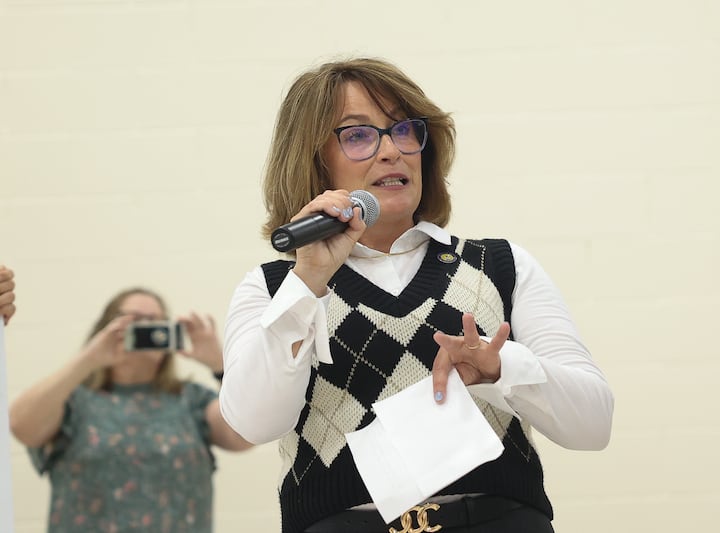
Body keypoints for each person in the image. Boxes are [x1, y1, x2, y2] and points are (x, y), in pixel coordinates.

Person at [220, 57, 614, 533]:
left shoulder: (500, 266)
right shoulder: (274, 288)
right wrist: (307, 282)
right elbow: (254, 422)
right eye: (359, 135)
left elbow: (593, 423)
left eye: (404, 130)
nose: (392, 152)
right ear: (312, 157)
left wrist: (501, 367)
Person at [9, 287, 252, 533]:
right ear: (106, 328)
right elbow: (20, 424)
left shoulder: (190, 400)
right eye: (134, 321)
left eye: (156, 322)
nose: (147, 328)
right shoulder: (73, 402)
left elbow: (246, 435)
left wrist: (221, 365)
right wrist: (90, 358)